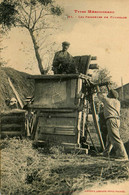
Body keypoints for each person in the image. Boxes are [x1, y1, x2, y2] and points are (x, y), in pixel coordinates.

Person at [96, 86, 128, 161]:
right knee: (110, 138)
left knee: (115, 138)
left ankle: (123, 156)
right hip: (117, 120)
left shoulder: (107, 100)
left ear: (109, 95)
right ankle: (106, 153)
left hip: (111, 120)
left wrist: (98, 90)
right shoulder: (117, 102)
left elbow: (100, 96)